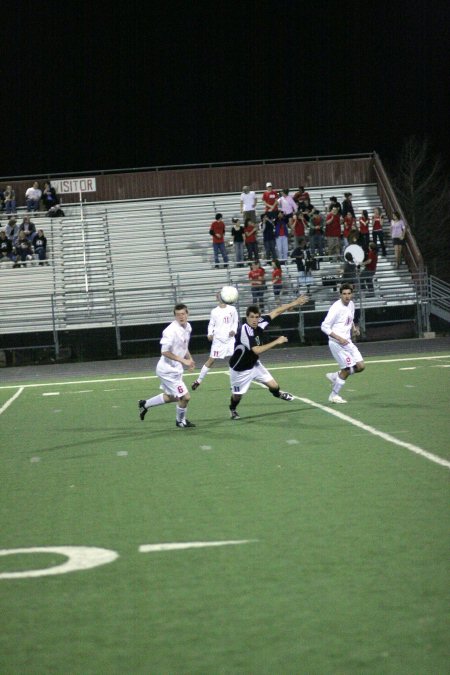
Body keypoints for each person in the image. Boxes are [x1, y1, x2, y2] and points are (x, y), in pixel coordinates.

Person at [228, 293, 309, 420]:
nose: (254, 320)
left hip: (254, 365)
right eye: (251, 317)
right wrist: (277, 341)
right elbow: (257, 350)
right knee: (237, 396)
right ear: (246, 318)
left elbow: (276, 311)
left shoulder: (260, 322)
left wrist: (295, 302)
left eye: (256, 317)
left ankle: (278, 394)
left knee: (275, 386)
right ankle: (232, 409)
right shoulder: (245, 330)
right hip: (239, 370)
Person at [138, 304, 196, 428]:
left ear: (187, 313)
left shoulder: (188, 327)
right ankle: (180, 421)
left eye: (183, 314)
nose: (181, 317)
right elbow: (164, 351)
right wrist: (183, 361)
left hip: (176, 369)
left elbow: (184, 347)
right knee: (185, 397)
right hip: (167, 371)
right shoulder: (170, 331)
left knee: (172, 396)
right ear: (174, 316)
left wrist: (189, 359)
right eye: (178, 314)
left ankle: (145, 404)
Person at [321, 283, 365, 404]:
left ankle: (336, 376)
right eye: (344, 294)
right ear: (340, 295)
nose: (347, 296)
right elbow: (324, 326)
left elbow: (350, 319)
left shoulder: (351, 304)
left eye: (349, 294)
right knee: (347, 369)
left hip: (347, 341)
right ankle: (334, 395)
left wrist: (354, 328)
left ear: (352, 294)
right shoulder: (336, 308)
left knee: (361, 366)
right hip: (336, 343)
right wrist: (338, 338)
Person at [191, 293, 239, 390]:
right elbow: (211, 324)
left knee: (234, 360)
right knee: (211, 360)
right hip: (218, 340)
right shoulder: (214, 311)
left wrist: (234, 330)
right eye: (219, 295)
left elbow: (235, 321)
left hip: (230, 340)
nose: (220, 297)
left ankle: (234, 384)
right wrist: (209, 333)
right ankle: (198, 381)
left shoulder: (232, 309)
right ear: (217, 298)